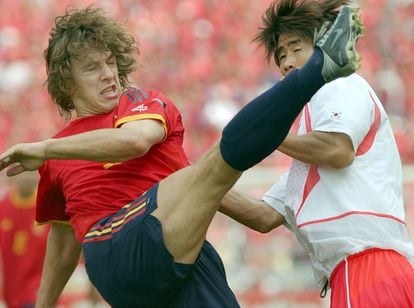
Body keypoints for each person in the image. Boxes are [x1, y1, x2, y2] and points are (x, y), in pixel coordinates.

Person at [0, 4, 363, 307]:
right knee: (213, 164)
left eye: (111, 63)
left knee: (204, 176)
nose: (110, 75)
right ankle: (319, 68)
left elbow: (135, 142)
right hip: (115, 250)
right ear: (67, 83)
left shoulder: (139, 104)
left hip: (179, 257)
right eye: (93, 68)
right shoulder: (58, 151)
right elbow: (63, 245)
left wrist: (45, 148)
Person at [219, 1, 414, 307]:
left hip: (365, 269)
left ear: (324, 46)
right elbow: (264, 216)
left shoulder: (339, 85)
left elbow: (337, 150)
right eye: (281, 56)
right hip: (370, 272)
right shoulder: (307, 149)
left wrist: (267, 132)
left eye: (295, 48)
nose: (286, 63)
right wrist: (190, 181)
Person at [0, 172, 49, 307]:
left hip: (38, 285)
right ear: (13, 175)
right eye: (22, 173)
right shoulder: (2, 207)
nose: (26, 178)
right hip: (10, 286)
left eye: (30, 173)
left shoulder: (47, 207)